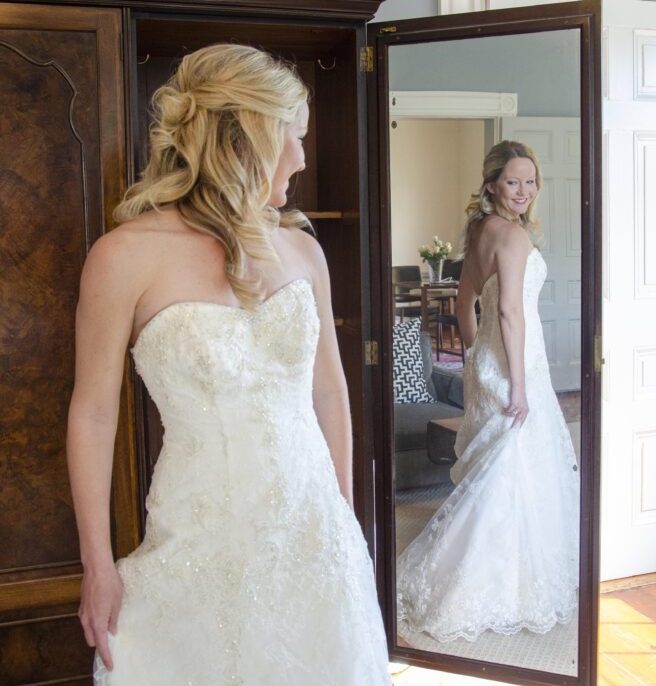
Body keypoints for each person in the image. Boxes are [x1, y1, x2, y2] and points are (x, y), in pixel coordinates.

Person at [66, 44, 390, 685]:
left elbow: (329, 391)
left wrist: (347, 527)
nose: (301, 157)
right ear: (247, 136)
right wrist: (96, 563)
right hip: (198, 539)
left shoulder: (302, 251)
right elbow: (95, 412)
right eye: (292, 138)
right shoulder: (123, 255)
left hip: (313, 530)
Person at [396, 140, 579, 644]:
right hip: (516, 368)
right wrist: (518, 384)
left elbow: (464, 300)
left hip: (489, 365)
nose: (524, 190)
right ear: (493, 185)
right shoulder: (512, 238)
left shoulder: (480, 230)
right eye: (513, 181)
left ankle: (509, 571)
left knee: (502, 472)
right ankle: (487, 585)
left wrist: (476, 358)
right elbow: (510, 313)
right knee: (508, 473)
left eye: (530, 180)